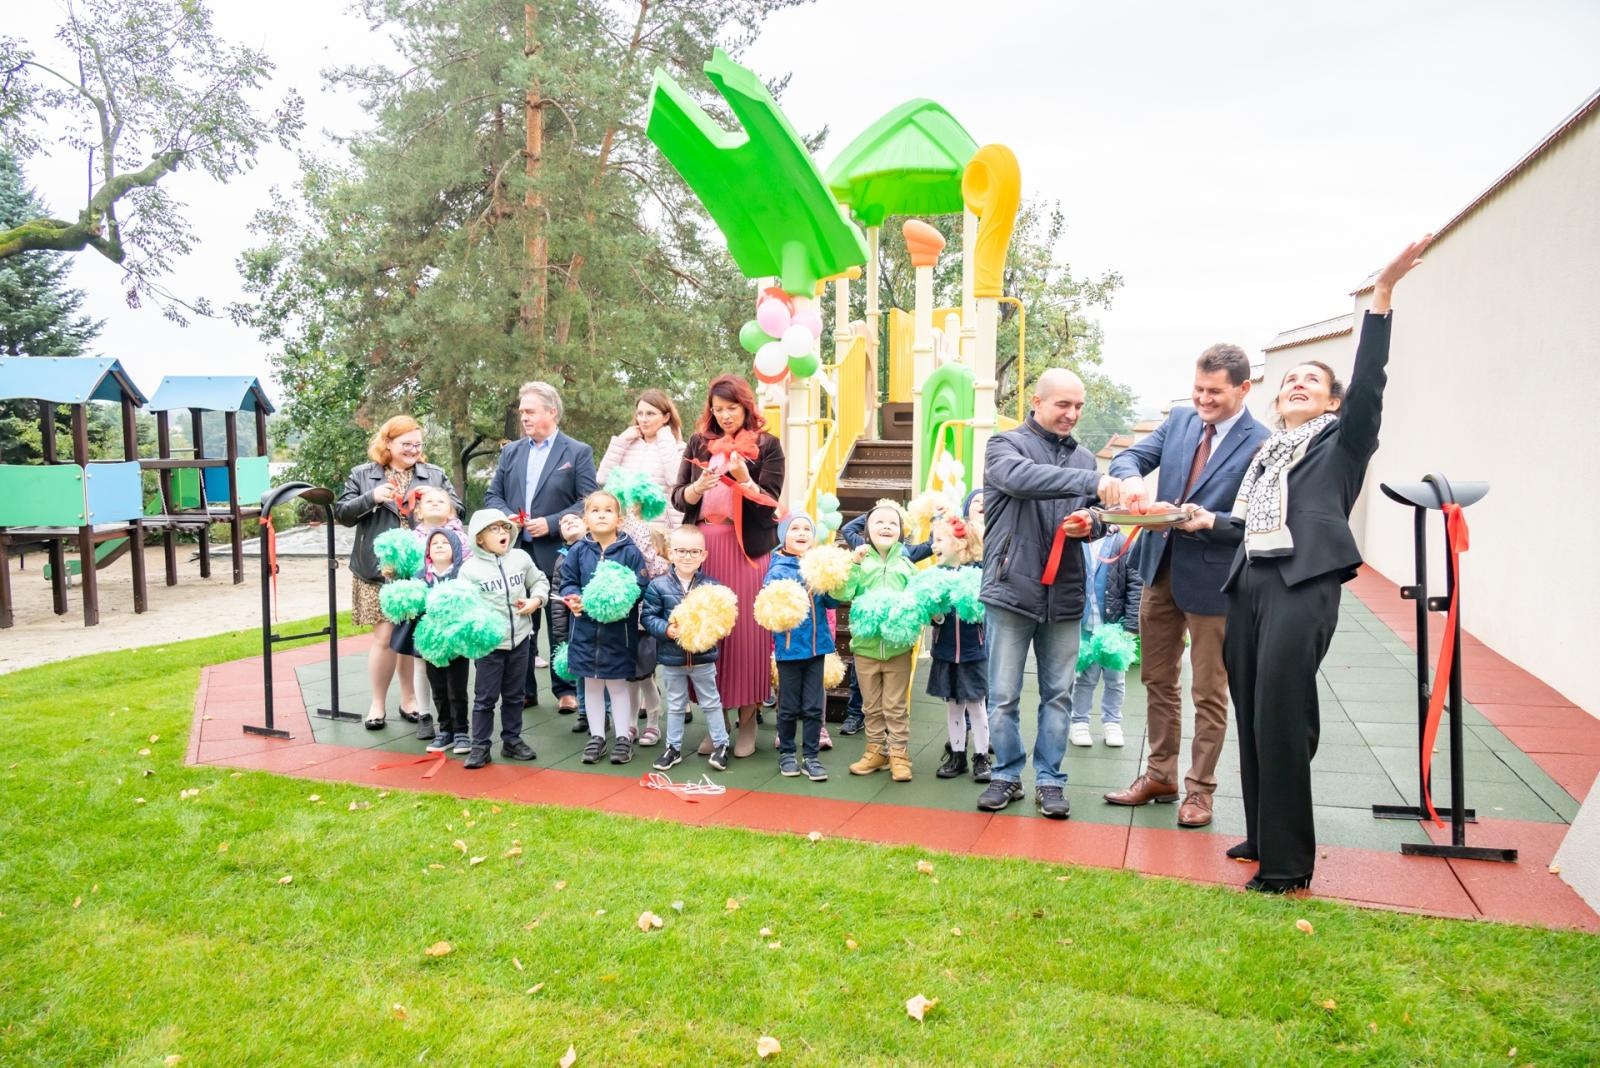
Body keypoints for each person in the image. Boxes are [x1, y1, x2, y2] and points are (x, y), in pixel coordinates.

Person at [1221, 236, 1431, 893]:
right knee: (1253, 708)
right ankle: (1263, 833)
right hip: (1248, 581)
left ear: (1333, 401)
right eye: (1289, 383)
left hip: (1301, 584)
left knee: (1283, 711)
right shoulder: (1267, 456)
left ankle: (1287, 865)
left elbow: (1369, 382)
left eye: (1312, 381)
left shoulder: (1343, 444)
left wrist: (1383, 298)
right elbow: (1245, 519)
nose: (1297, 385)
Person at [1103, 342, 1271, 827]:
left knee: (1209, 691)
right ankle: (1160, 775)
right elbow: (1128, 458)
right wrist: (1132, 481)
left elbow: (1256, 522)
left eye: (1214, 392)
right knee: (1157, 679)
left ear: (1243, 388)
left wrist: (1210, 521)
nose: (1203, 399)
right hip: (1159, 571)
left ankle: (1200, 791)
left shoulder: (1260, 442)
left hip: (1216, 583)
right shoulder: (1178, 421)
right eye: (1197, 388)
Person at [974, 368, 1122, 819]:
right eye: (1063, 404)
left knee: (1059, 694)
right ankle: (1006, 774)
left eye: (1078, 406)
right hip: (1010, 589)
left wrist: (1091, 523)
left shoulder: (1083, 460)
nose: (1072, 414)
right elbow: (1022, 479)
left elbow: (1101, 515)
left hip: (1066, 593)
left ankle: (1050, 780)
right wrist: (1090, 485)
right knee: (1002, 695)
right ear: (1036, 403)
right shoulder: (1004, 445)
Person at [670, 374, 785, 759]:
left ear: (746, 407)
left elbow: (770, 502)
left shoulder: (768, 445)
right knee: (709, 632)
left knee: (748, 635)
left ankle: (749, 718)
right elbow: (678, 497)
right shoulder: (698, 443)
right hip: (705, 547)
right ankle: (716, 722)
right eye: (718, 410)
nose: (724, 417)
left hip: (747, 551)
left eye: (731, 409)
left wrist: (744, 479)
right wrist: (696, 489)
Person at [335, 415, 462, 730]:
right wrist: (371, 498)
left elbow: (458, 507)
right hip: (380, 571)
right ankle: (377, 703)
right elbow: (342, 513)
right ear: (387, 443)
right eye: (406, 445)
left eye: (418, 445)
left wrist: (436, 503)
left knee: (411, 635)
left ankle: (409, 699)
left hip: (421, 569)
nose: (413, 450)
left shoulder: (433, 475)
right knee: (385, 634)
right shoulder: (363, 475)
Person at [485, 381, 597, 714]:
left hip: (558, 553)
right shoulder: (511, 451)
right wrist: (507, 517)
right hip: (515, 551)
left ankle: (565, 689)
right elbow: (493, 495)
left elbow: (587, 501)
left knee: (558, 619)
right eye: (522, 412)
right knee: (521, 620)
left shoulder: (577, 452)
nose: (524, 418)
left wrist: (550, 523)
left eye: (530, 411)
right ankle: (523, 690)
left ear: (551, 411)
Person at [558, 490, 652, 766]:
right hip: (584, 633)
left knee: (618, 686)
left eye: (608, 510)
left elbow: (640, 586)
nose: (601, 514)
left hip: (618, 634)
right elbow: (568, 582)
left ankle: (623, 737)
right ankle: (597, 736)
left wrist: (621, 602)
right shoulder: (577, 550)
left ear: (619, 519)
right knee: (592, 685)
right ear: (585, 519)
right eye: (595, 510)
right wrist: (573, 599)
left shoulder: (630, 551)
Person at [456, 509, 548, 769]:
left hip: (520, 640)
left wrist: (535, 600)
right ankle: (480, 746)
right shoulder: (469, 570)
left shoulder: (520, 558)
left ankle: (512, 741)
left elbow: (539, 580)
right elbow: (465, 606)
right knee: (485, 698)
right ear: (479, 538)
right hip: (489, 646)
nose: (502, 533)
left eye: (505, 528)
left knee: (515, 695)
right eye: (494, 529)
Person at [837, 504, 921, 783]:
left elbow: (916, 601)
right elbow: (843, 592)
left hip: (897, 648)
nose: (886, 527)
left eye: (892, 523)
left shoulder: (906, 565)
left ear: (901, 532)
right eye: (879, 522)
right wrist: (855, 564)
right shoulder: (860, 561)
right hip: (865, 648)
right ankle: (876, 751)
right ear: (866, 531)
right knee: (871, 706)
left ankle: (898, 753)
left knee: (895, 706)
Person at [642, 525, 731, 772]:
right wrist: (666, 629)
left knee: (711, 702)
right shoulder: (658, 585)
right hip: (672, 658)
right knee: (676, 703)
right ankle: (673, 748)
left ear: (704, 555)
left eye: (694, 552)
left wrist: (716, 629)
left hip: (703, 658)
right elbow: (648, 617)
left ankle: (721, 744)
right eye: (681, 551)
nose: (687, 557)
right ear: (670, 553)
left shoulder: (711, 586)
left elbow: (722, 617)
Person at [764, 514, 835, 782]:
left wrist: (830, 583)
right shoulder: (778, 567)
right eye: (795, 528)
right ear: (784, 536)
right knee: (789, 705)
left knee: (815, 706)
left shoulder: (817, 566)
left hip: (817, 648)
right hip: (791, 650)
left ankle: (812, 756)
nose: (802, 533)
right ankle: (787, 753)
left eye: (807, 529)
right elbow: (773, 602)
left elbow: (830, 602)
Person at [927, 514, 991, 782]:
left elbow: (986, 611)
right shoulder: (934, 577)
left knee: (976, 704)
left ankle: (982, 757)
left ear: (959, 545)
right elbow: (930, 613)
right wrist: (936, 615)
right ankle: (957, 755)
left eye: (940, 539)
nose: (933, 545)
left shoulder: (977, 575)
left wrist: (978, 614)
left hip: (972, 652)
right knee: (953, 703)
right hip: (945, 650)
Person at [1069, 526, 1142, 749]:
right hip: (1084, 624)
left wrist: (1131, 624)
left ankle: (1112, 721)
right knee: (1085, 677)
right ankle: (1079, 721)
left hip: (1113, 626)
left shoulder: (1121, 542)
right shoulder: (1077, 540)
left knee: (1115, 678)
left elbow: (1135, 583)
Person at [406, 486, 468, 735]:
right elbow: (404, 569)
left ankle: (456, 721)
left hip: (451, 609)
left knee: (454, 666)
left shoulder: (461, 538)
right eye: (428, 501)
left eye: (441, 500)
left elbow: (469, 567)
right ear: (418, 512)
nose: (434, 503)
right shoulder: (411, 539)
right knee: (422, 662)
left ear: (451, 511)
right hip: (423, 609)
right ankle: (425, 714)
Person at [414, 529, 471, 755]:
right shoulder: (421, 577)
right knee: (437, 687)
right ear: (428, 550)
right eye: (434, 543)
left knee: (456, 688)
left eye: (445, 543)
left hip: (456, 643)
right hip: (431, 644)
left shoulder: (462, 575)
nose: (438, 546)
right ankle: (445, 730)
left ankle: (461, 731)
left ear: (455, 550)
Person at [597, 388, 688, 527]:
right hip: (626, 529)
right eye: (640, 413)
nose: (644, 419)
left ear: (666, 417)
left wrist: (664, 437)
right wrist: (621, 440)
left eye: (650, 414)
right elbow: (602, 479)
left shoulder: (679, 448)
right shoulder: (626, 445)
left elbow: (673, 480)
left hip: (661, 531)